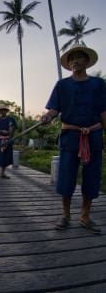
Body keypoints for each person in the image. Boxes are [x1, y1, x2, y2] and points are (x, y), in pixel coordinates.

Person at [42, 44, 106, 234]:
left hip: (93, 135)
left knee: (92, 177)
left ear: (87, 61)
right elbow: (54, 108)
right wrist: (48, 116)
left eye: (79, 57)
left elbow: (103, 111)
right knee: (66, 177)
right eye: (71, 59)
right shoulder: (62, 85)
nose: (75, 61)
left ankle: (85, 216)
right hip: (70, 136)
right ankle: (66, 215)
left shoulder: (98, 84)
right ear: (68, 64)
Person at [0, 103, 17, 179]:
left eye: (4, 110)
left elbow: (13, 129)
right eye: (1, 110)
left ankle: (3, 173)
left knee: (6, 158)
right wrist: (1, 131)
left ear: (6, 111)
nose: (3, 112)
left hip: (8, 140)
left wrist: (9, 135)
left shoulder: (11, 119)